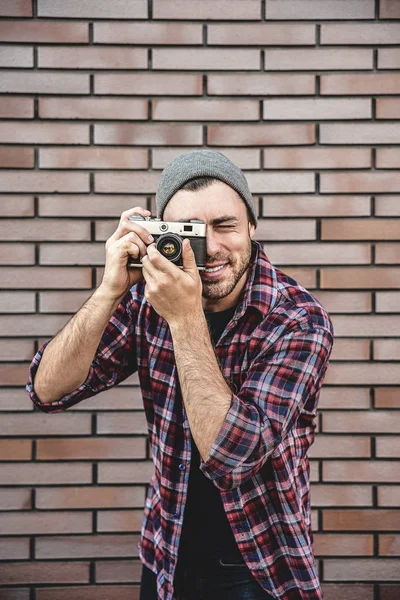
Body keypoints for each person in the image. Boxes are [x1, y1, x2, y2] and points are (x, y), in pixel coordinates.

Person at [27, 150, 333, 600]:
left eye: (225, 226)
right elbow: (46, 389)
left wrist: (185, 317)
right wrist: (110, 289)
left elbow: (233, 457)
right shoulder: (145, 303)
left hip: (261, 562)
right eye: (188, 231)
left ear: (252, 226)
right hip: (166, 548)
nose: (209, 248)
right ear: (160, 235)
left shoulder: (297, 319)